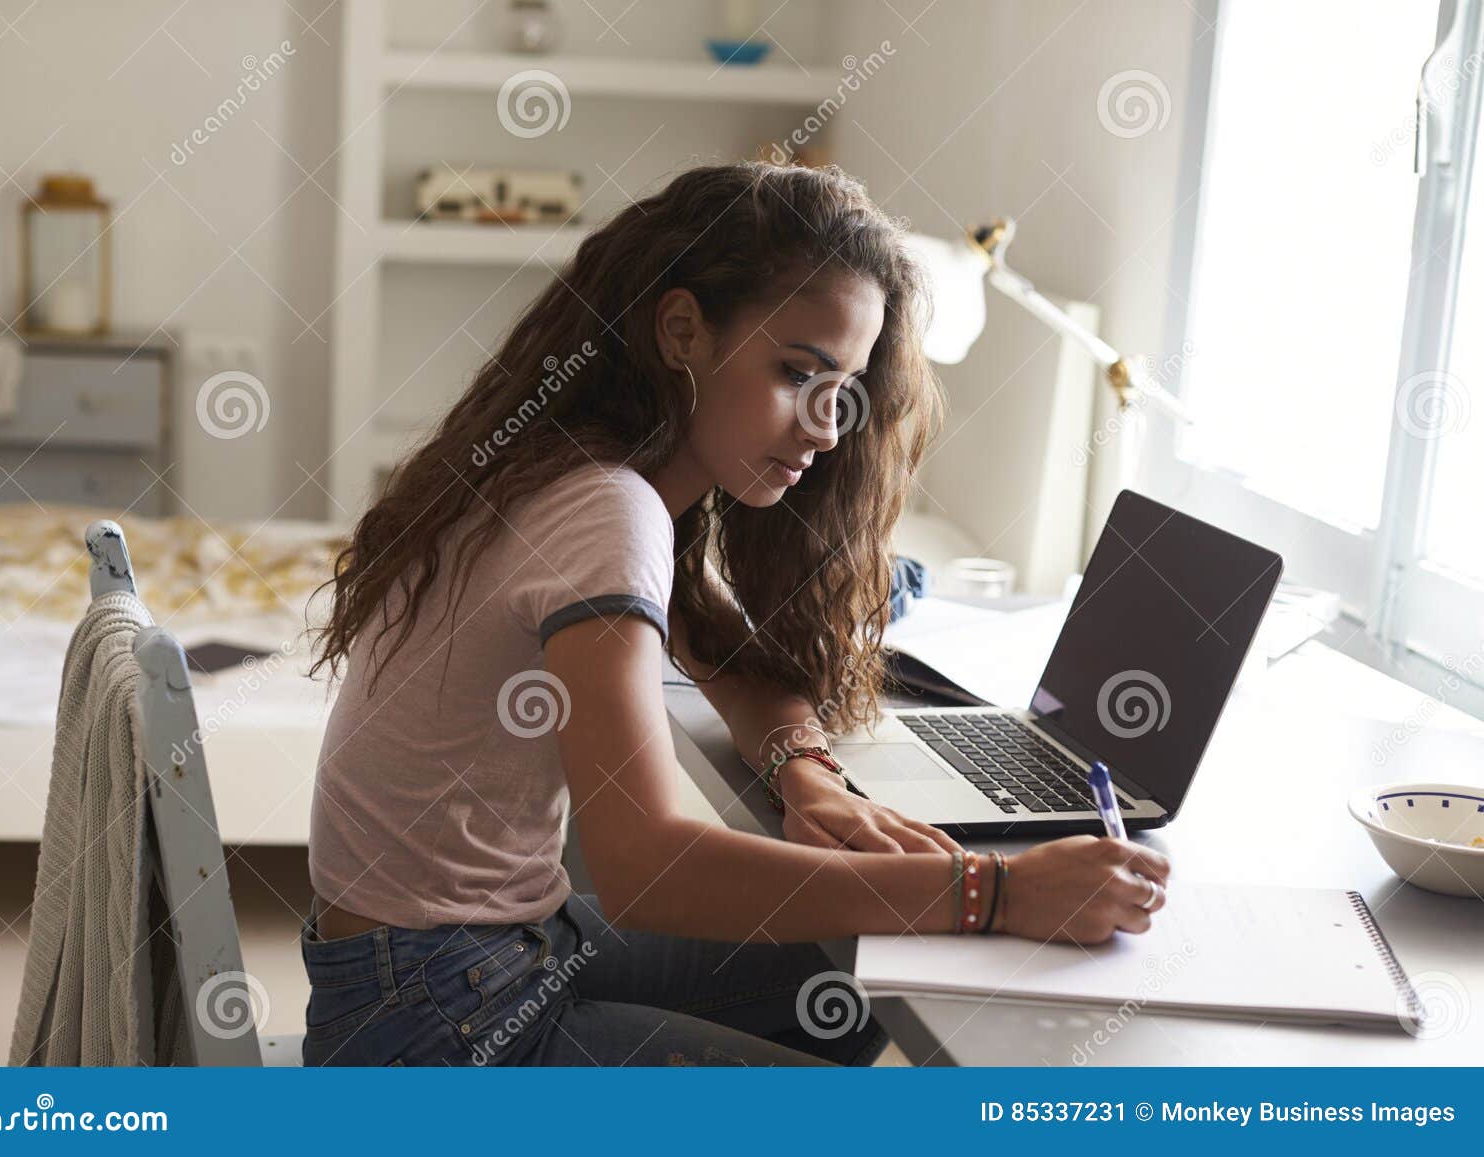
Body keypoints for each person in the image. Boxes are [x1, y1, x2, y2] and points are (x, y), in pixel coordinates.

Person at [299, 161, 1170, 1067]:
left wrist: (808, 773)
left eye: (845, 388)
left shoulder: (573, 468)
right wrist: (993, 889)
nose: (829, 427)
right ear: (682, 329)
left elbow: (739, 667)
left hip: (447, 965)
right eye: (799, 373)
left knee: (846, 985)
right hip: (432, 1022)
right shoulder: (607, 507)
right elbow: (642, 866)